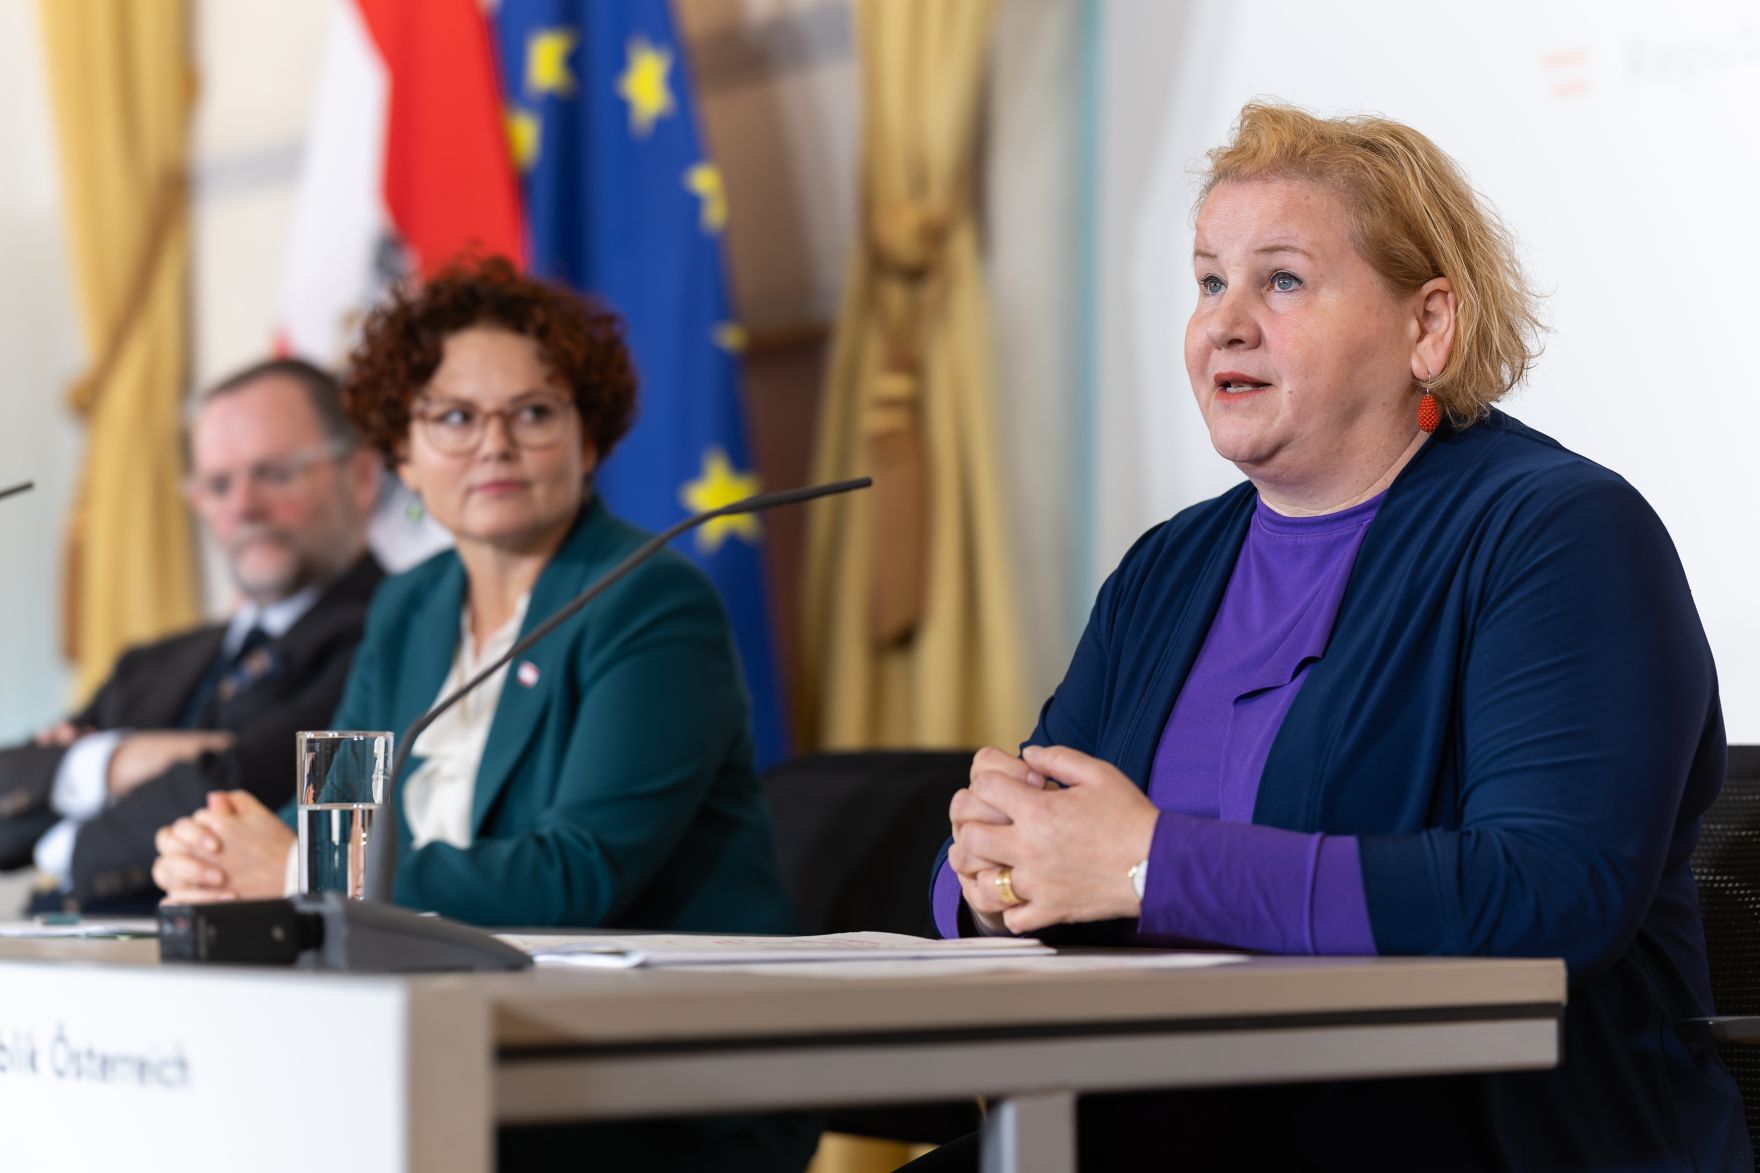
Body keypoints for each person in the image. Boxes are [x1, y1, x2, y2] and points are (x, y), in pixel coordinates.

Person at [923, 102, 1750, 1169]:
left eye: (1279, 280)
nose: (1224, 322)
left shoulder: (1557, 535)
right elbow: (1039, 828)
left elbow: (1550, 893)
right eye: (1208, 281)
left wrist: (1146, 864)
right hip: (1150, 1121)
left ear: (1427, 327)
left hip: (1459, 1138)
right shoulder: (1165, 569)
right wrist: (990, 881)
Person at [151, 256, 817, 1171]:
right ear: (401, 453)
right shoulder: (407, 605)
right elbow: (341, 808)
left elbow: (575, 877)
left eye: (534, 413)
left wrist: (298, 865)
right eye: (456, 418)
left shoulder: (651, 602)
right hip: (452, 1035)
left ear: (590, 440)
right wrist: (230, 858)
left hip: (659, 1073)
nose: (493, 445)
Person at [0, 359, 382, 914]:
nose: (244, 505)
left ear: (363, 477)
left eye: (276, 473)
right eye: (219, 484)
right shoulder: (151, 662)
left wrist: (67, 828)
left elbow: (250, 784)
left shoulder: (394, 638)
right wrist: (106, 763)